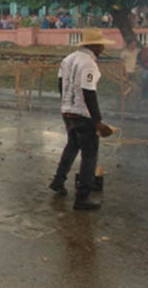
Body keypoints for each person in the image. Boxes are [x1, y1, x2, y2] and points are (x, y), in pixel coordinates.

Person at [49, 29, 114, 210]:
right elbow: (88, 92)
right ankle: (82, 197)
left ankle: (58, 181)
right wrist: (97, 121)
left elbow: (61, 84)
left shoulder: (68, 59)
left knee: (72, 146)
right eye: (101, 45)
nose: (102, 48)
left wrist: (66, 105)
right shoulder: (89, 64)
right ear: (92, 45)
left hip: (67, 112)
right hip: (83, 114)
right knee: (89, 156)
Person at [119, 39, 141, 105]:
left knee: (132, 86)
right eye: (132, 44)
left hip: (133, 71)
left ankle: (129, 99)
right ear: (129, 44)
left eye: (135, 44)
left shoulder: (136, 51)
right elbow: (121, 63)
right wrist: (124, 72)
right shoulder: (124, 53)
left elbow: (142, 49)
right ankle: (125, 98)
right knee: (128, 86)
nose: (134, 46)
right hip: (126, 71)